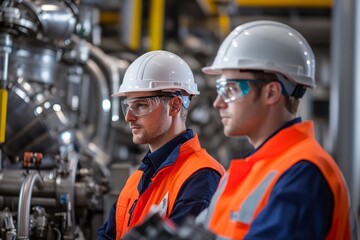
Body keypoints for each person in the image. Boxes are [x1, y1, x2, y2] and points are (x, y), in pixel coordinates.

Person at [199, 20, 357, 239]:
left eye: (230, 89)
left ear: (271, 93)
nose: (218, 102)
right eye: (219, 89)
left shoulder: (304, 174)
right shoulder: (251, 170)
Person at [97, 50, 225, 239]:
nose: (128, 117)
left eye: (140, 105)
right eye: (128, 105)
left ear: (174, 106)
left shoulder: (201, 175)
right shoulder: (137, 179)